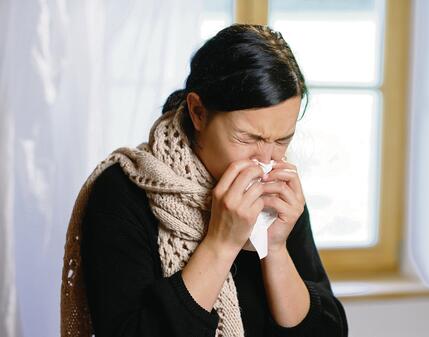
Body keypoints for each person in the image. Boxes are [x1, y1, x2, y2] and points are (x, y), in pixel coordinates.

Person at [61, 23, 348, 337]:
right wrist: (221, 244)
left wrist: (275, 248)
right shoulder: (122, 191)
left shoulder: (277, 190)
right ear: (198, 112)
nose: (266, 160)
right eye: (248, 138)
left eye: (281, 140)